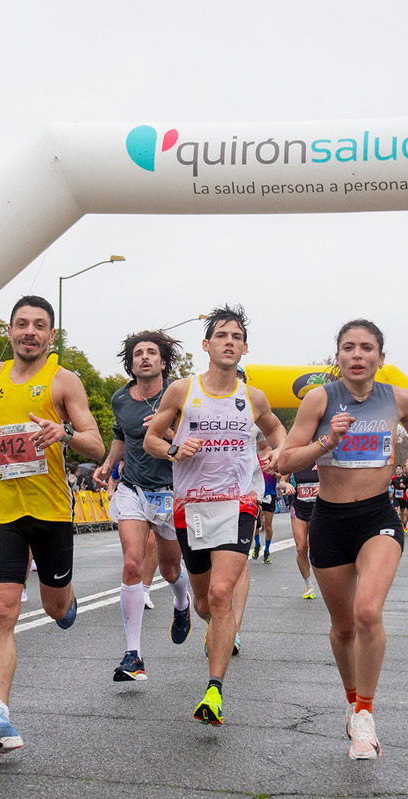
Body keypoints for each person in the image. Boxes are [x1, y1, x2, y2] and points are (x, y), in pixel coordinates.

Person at [275, 318, 408, 760]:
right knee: (343, 628)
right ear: (337, 357)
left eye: (366, 348)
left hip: (377, 517)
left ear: (381, 358)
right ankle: (350, 702)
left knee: (367, 613)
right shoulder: (319, 399)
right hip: (329, 519)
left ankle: (365, 713)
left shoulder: (398, 398)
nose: (357, 355)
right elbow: (285, 460)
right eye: (349, 347)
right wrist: (328, 440)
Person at [0, 295, 105, 755]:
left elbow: (96, 446)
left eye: (38, 325)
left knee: (53, 608)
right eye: (21, 324)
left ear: (51, 335)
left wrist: (62, 433)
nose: (29, 332)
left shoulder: (64, 382)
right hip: (3, 512)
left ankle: (66, 603)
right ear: (9, 331)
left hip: (51, 513)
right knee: (1, 610)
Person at [144, 305, 285, 726]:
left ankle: (213, 690)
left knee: (222, 595)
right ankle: (207, 620)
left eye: (236, 336)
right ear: (206, 345)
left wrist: (276, 450)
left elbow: (276, 429)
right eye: (221, 335)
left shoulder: (253, 397)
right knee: (206, 602)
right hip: (192, 507)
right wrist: (173, 449)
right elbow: (151, 439)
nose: (229, 341)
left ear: (244, 347)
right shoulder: (182, 392)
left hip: (239, 502)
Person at [94, 329, 193, 685]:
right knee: (133, 563)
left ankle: (182, 603)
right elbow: (122, 434)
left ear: (164, 361)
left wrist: (168, 434)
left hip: (172, 490)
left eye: (152, 352)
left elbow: (197, 439)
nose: (145, 357)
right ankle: (133, 655)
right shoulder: (121, 398)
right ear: (131, 362)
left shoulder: (181, 395)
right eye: (138, 353)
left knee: (169, 569)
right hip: (133, 488)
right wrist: (108, 464)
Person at [288, 462, 320, 599]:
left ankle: (326, 583)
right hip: (299, 507)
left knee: (316, 546)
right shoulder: (297, 458)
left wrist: (325, 487)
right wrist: (286, 485)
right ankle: (308, 585)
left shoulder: (322, 455)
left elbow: (337, 478)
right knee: (301, 547)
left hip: (319, 507)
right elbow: (282, 481)